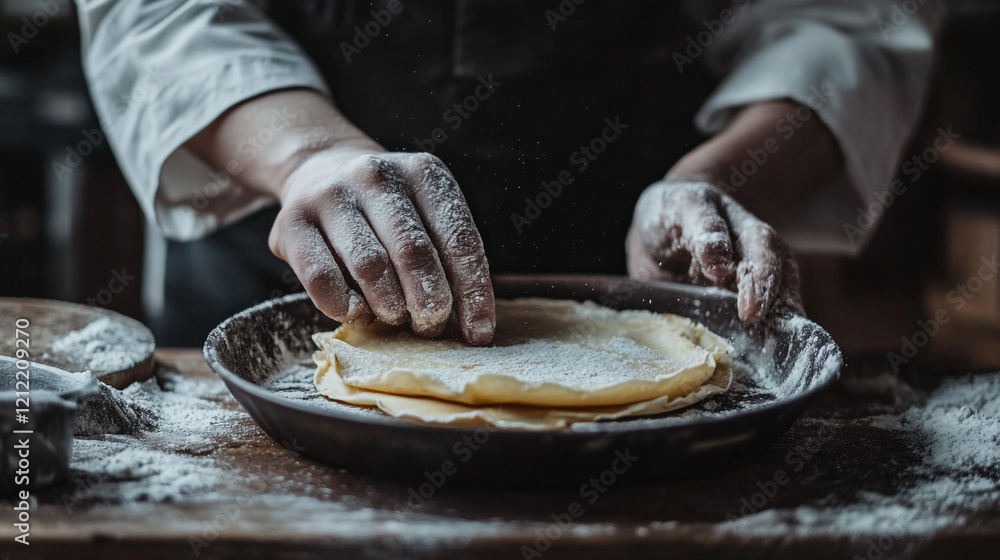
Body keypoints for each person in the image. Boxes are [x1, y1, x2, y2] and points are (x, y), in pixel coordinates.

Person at [74, 0, 940, 346]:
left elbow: (846, 20)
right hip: (287, 271)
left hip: (651, 290)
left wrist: (721, 180)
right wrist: (308, 155)